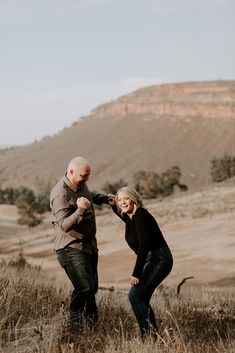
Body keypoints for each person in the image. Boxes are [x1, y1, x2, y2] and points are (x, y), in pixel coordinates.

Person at [50, 156, 111, 329]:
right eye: (83, 176)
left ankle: (92, 329)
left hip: (89, 246)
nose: (86, 179)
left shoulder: (80, 183)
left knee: (91, 289)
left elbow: (88, 195)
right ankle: (72, 329)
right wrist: (80, 210)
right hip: (71, 248)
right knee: (84, 287)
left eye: (88, 176)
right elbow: (64, 225)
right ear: (70, 172)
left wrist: (105, 198)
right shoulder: (60, 194)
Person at [110, 186, 173, 339]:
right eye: (120, 200)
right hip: (152, 258)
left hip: (159, 258)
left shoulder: (141, 215)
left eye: (126, 198)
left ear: (134, 199)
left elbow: (144, 245)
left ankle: (148, 337)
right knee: (141, 298)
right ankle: (152, 337)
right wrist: (113, 205)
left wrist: (136, 273)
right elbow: (123, 216)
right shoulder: (131, 217)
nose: (123, 202)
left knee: (135, 296)